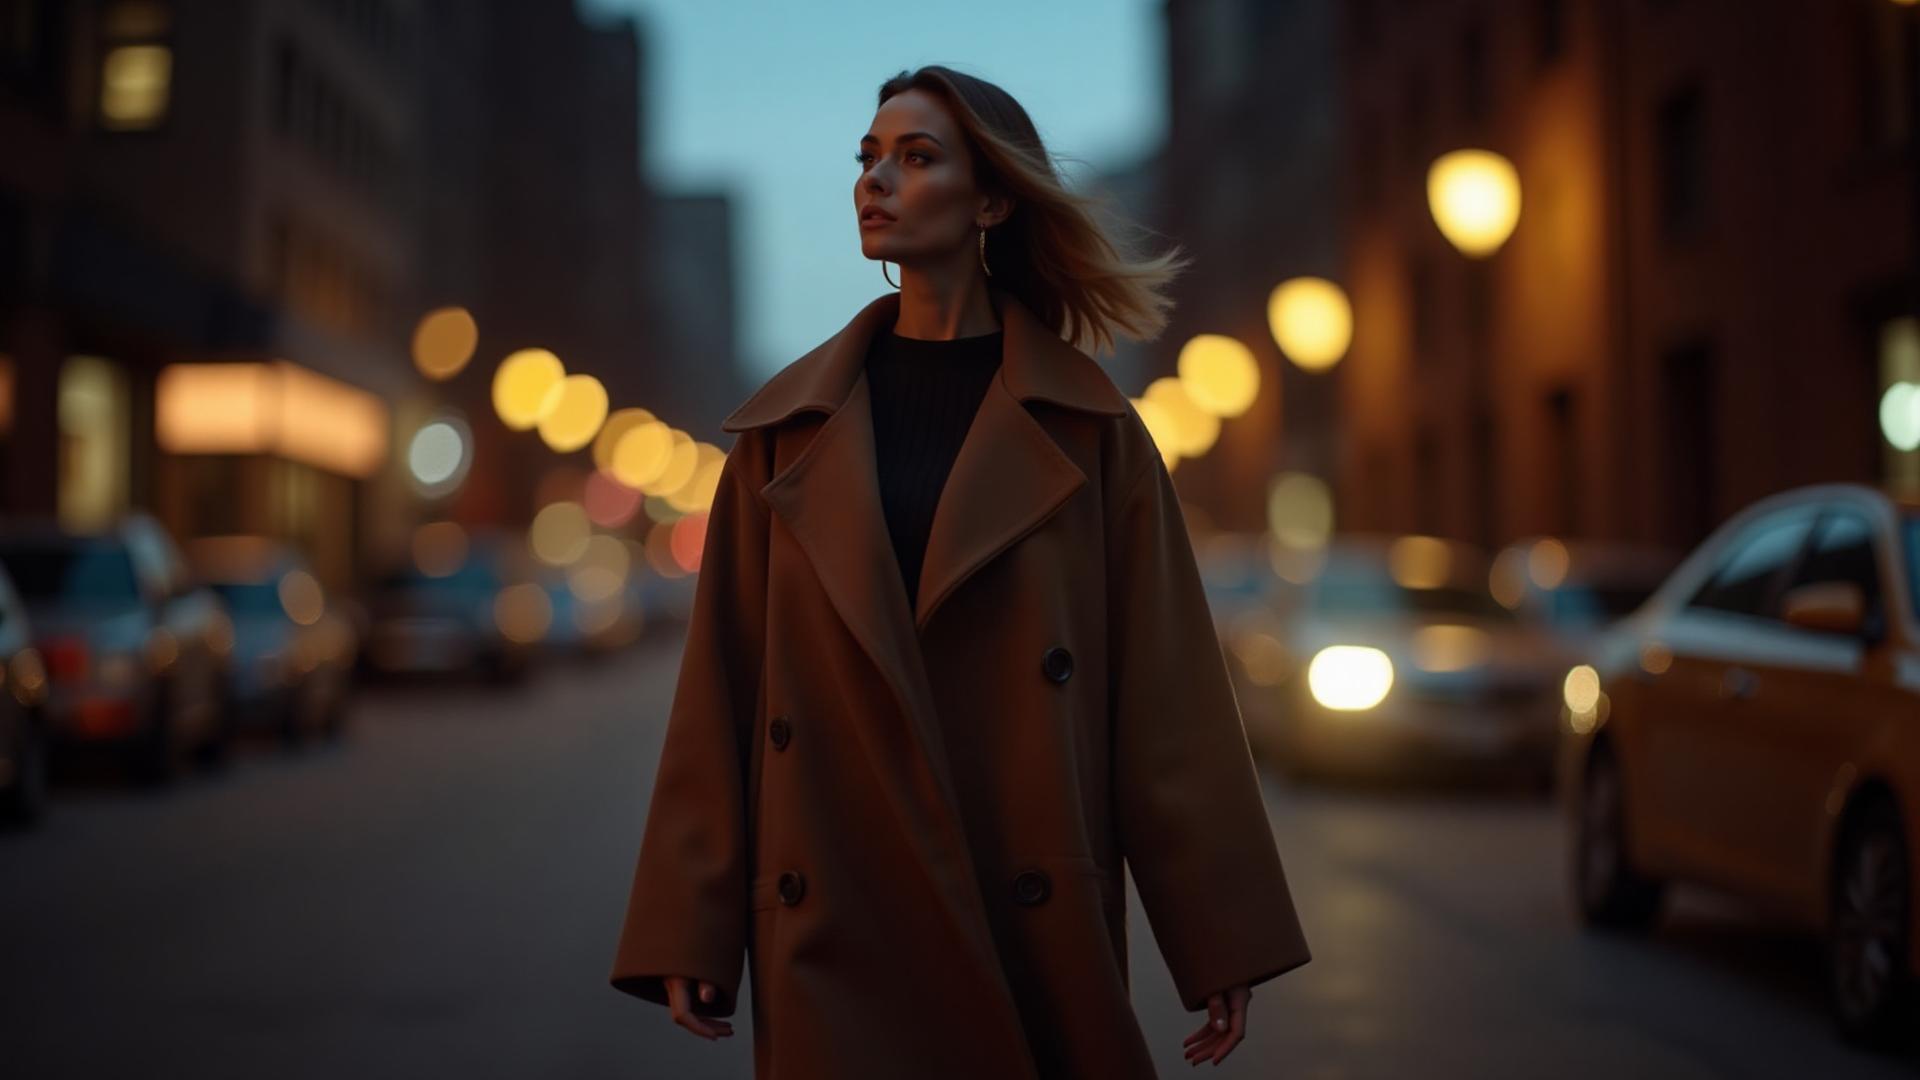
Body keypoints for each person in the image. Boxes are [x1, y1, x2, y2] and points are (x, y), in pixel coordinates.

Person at [610, 65, 1311, 1078]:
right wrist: (692, 925)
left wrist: (1219, 940)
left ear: (990, 201)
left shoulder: (1093, 435)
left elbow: (1170, 704)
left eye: (916, 157)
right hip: (835, 919)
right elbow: (721, 688)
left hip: (1026, 912)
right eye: (868, 158)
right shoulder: (781, 437)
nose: (875, 180)